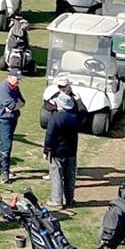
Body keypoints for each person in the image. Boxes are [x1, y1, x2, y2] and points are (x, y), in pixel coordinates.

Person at [40, 81, 85, 210]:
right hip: (71, 151)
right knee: (70, 176)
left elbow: (49, 136)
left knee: (57, 176)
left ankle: (56, 201)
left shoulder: (56, 119)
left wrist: (46, 150)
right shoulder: (75, 117)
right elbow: (84, 114)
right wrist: (80, 101)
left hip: (57, 152)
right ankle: (70, 199)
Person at [0, 71, 25, 181]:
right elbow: (11, 104)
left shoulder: (15, 87)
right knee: (7, 145)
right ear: (9, 77)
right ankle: (4, 172)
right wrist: (15, 105)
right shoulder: (3, 88)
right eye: (17, 78)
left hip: (13, 118)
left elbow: (22, 102)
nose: (19, 81)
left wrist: (14, 106)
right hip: (4, 120)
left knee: (4, 144)